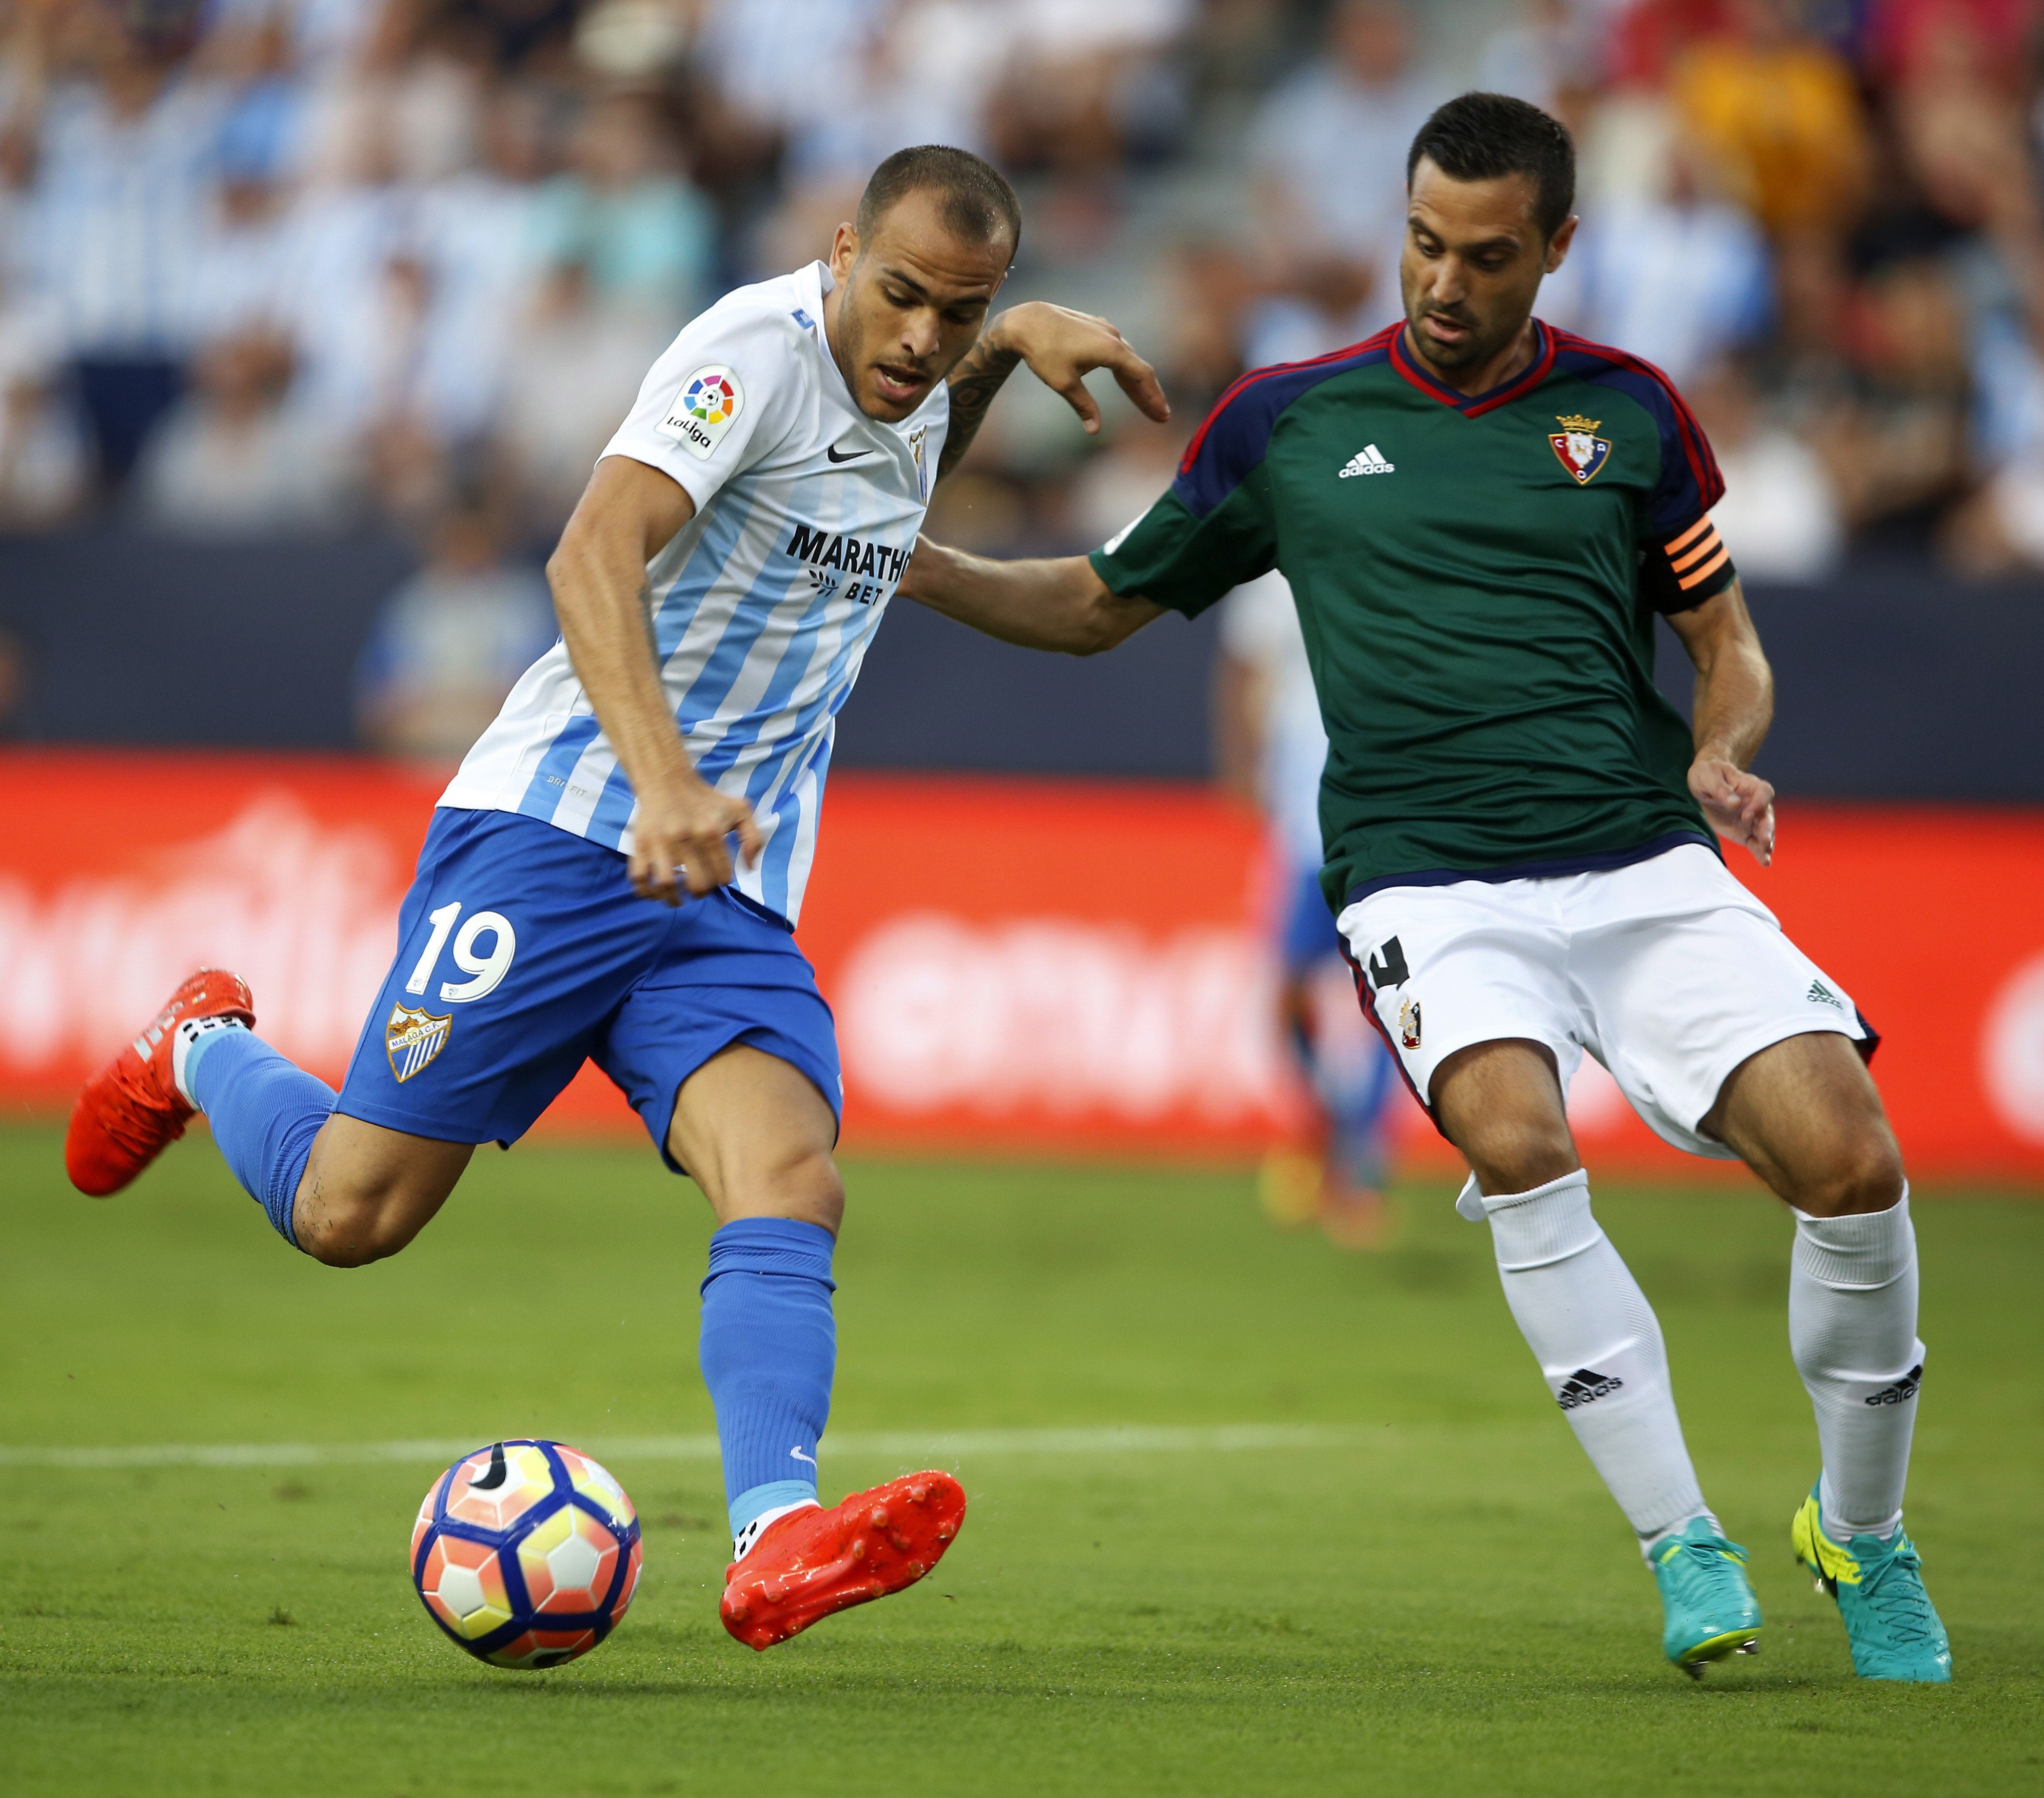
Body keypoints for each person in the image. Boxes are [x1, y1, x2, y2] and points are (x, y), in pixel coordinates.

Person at [898, 95, 1951, 1684]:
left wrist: (1723, 748)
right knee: (1517, 1144)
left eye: (1486, 256)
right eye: (1421, 243)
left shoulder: (1632, 415)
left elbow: (1725, 642)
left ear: (1556, 251)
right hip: (1425, 877)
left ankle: (1861, 1536)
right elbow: (1102, 600)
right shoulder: (1288, 423)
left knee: (1855, 1164)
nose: (1444, 285)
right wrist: (916, 562)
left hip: (1641, 855)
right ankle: (1682, 1538)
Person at [66, 144, 1169, 1653]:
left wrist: (1005, 349)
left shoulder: (918, 391)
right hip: (568, 829)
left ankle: (778, 1536)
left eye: (958, 313)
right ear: (842, 253)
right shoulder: (749, 354)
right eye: (901, 295)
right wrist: (660, 780)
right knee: (349, 1216)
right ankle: (199, 1042)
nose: (922, 336)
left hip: (725, 881)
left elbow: (900, 462)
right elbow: (593, 551)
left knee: (791, 1177)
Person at [1213, 569, 1400, 1247]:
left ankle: (1362, 1165)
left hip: (1385, 821)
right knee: (1287, 997)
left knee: (1390, 998)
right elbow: (1242, 668)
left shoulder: (1390, 551)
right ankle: (1336, 1131)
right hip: (1302, 824)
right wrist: (1240, 765)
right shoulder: (1268, 576)